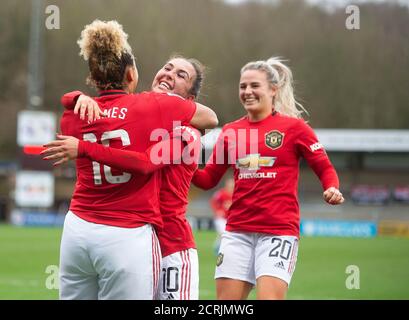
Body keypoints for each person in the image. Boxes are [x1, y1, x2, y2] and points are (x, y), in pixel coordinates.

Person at [51, 20, 217, 300]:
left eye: (181, 75)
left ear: (189, 98)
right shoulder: (143, 110)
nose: (169, 74)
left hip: (170, 245)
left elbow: (148, 162)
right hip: (135, 239)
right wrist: (78, 97)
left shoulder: (185, 133)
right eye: (167, 68)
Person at [191, 57, 344, 300]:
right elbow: (208, 178)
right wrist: (180, 163)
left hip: (278, 232)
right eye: (243, 86)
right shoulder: (230, 132)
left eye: (254, 86)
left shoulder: (295, 128)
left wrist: (331, 188)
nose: (247, 92)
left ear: (274, 89)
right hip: (237, 232)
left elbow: (324, 166)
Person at [209, 177, 234, 254]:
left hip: (230, 218)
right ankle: (218, 250)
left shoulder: (236, 193)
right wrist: (217, 211)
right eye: (230, 183)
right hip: (221, 218)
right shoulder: (221, 193)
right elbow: (213, 202)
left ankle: (217, 247)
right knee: (223, 234)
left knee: (224, 235)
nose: (231, 185)